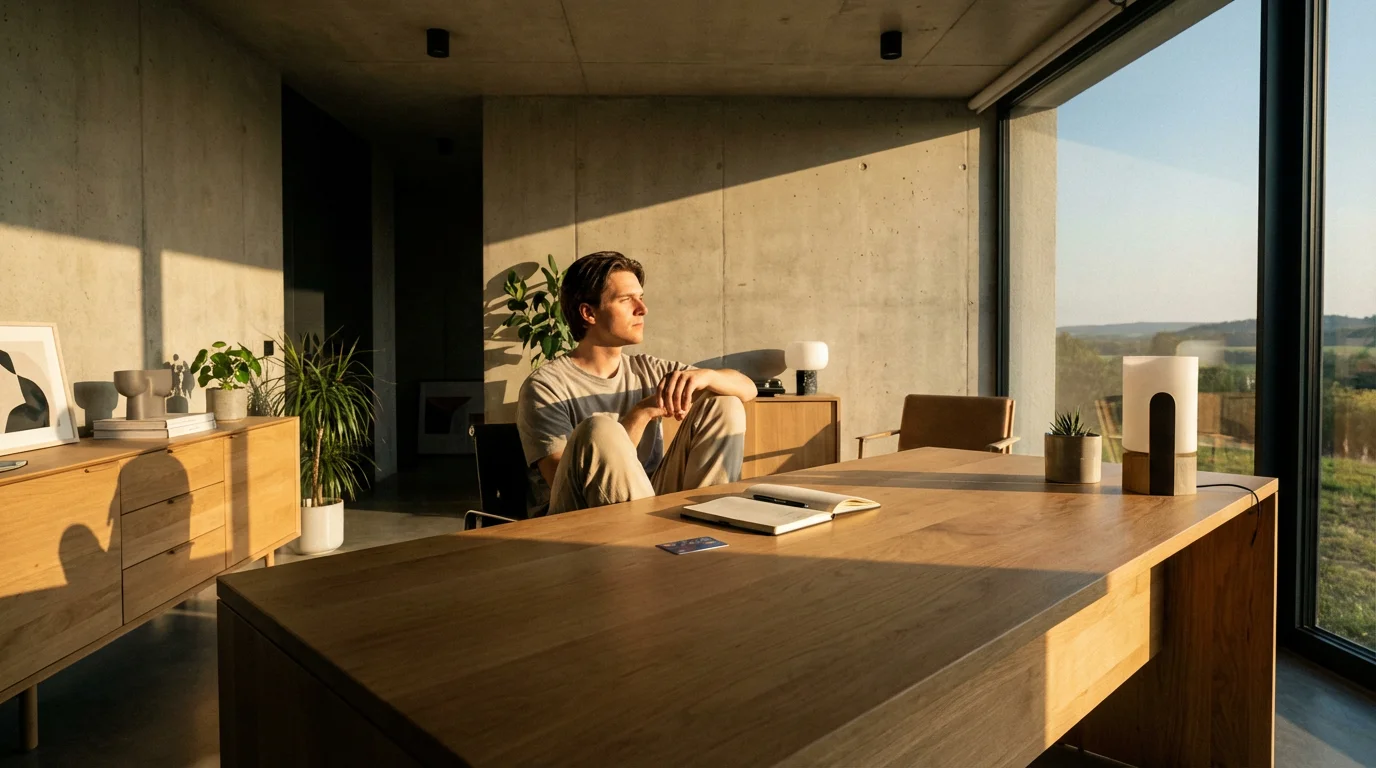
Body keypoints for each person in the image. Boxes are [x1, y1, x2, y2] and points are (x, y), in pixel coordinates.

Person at [516, 251, 756, 515]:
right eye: (626, 300)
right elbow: (562, 482)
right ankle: (657, 545)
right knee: (599, 429)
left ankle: (705, 531)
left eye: (640, 298)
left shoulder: (648, 369)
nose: (642, 309)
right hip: (578, 521)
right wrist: (642, 413)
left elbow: (748, 388)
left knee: (724, 405)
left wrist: (706, 376)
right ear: (588, 313)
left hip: (652, 505)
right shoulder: (545, 386)